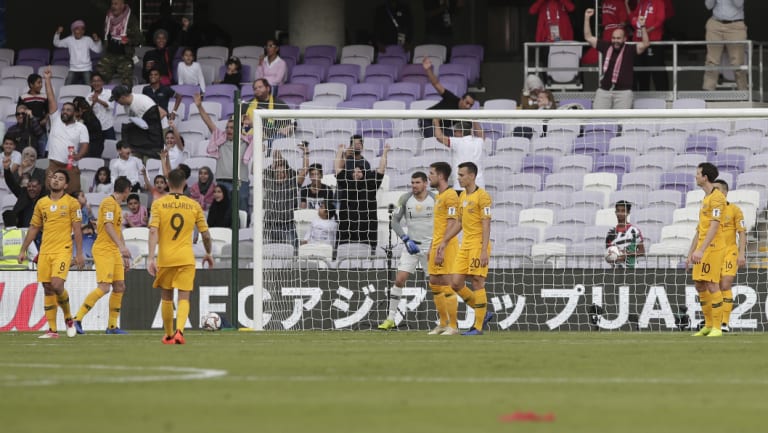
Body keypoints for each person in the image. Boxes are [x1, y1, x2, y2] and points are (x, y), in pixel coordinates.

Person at [148, 168, 213, 344]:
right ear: (185, 184)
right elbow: (205, 235)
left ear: (168, 183)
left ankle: (169, 335)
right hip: (185, 258)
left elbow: (153, 231)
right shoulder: (194, 205)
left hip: (166, 258)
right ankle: (180, 332)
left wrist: (150, 258)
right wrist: (208, 253)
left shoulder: (158, 204)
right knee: (184, 296)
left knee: (167, 296)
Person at [18, 169, 84, 339]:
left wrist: (79, 253)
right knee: (47, 288)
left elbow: (77, 229)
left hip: (63, 250)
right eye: (54, 178)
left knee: (56, 285)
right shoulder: (41, 203)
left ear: (66, 185)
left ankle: (68, 317)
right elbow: (34, 228)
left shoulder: (72, 203)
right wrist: (23, 249)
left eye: (60, 179)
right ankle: (52, 330)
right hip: (45, 251)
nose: (56, 181)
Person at [438, 162, 493, 336]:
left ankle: (477, 327)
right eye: (458, 175)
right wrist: (445, 241)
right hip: (465, 245)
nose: (458, 178)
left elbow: (486, 224)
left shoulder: (483, 196)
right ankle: (483, 313)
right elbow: (460, 223)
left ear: (472, 176)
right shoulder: (462, 197)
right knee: (455, 283)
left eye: (462, 175)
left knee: (477, 281)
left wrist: (484, 250)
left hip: (478, 245)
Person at [73, 176, 133, 335]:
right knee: (104, 287)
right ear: (126, 190)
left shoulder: (117, 207)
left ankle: (112, 326)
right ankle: (76, 319)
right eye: (129, 191)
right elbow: (107, 226)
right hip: (103, 249)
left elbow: (118, 231)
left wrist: (124, 253)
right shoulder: (108, 203)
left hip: (114, 250)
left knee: (120, 286)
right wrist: (121, 247)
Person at [378, 172, 437, 330]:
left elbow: (443, 222)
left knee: (436, 284)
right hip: (411, 246)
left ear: (425, 183)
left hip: (429, 248)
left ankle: (444, 319)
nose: (414, 186)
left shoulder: (435, 198)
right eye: (412, 182)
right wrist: (405, 239)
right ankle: (390, 318)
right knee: (399, 280)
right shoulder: (405, 199)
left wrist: (436, 244)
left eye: (417, 182)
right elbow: (395, 221)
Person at [686, 162, 727, 338]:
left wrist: (701, 250)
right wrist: (691, 253)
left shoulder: (717, 198)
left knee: (711, 284)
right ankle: (708, 325)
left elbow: (714, 226)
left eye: (698, 173)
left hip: (713, 248)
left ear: (705, 177)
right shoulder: (706, 198)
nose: (695, 176)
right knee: (699, 284)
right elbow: (700, 229)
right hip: (702, 248)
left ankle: (717, 327)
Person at [584, 8, 649, 109]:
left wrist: (643, 26)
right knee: (598, 120)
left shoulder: (630, 49)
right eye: (613, 38)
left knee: (621, 123)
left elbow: (645, 44)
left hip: (624, 93)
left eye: (618, 38)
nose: (615, 41)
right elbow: (588, 37)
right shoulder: (606, 46)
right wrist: (587, 18)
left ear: (624, 39)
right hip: (604, 91)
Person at [198, 93, 252, 213]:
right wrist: (199, 106)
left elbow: (261, 129)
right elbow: (208, 121)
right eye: (227, 127)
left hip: (240, 181)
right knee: (223, 211)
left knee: (241, 212)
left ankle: (242, 232)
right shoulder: (220, 139)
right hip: (222, 181)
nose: (228, 130)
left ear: (239, 129)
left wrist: (250, 123)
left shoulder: (247, 140)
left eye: (232, 128)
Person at [425, 162, 461, 335]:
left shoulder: (451, 195)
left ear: (440, 176)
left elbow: (453, 222)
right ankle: (442, 323)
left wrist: (442, 245)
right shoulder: (439, 197)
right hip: (437, 244)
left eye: (431, 173)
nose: (429, 176)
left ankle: (453, 326)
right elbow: (438, 225)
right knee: (434, 282)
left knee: (447, 283)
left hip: (447, 245)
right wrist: (432, 246)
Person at [335, 143, 390, 254]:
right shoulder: (346, 183)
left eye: (359, 171)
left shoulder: (370, 185)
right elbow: (337, 168)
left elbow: (381, 170)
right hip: (347, 226)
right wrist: (340, 151)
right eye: (354, 171)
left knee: (368, 256)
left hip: (367, 227)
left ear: (364, 174)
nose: (356, 173)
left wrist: (385, 152)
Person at [43, 67, 89, 194]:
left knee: (73, 195)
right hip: (54, 165)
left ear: (74, 113)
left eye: (68, 110)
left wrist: (79, 155)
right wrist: (47, 80)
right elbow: (51, 98)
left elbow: (85, 145)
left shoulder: (81, 127)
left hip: (70, 165)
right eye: (63, 109)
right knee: (51, 194)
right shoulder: (56, 120)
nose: (64, 112)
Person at [712, 179, 746, 333]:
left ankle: (724, 323)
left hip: (730, 252)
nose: (714, 192)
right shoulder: (711, 210)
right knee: (716, 287)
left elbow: (742, 232)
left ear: (725, 192)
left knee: (725, 284)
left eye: (717, 189)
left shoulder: (735, 210)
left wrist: (741, 253)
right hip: (714, 253)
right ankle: (716, 321)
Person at [420, 57, 481, 138]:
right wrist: (428, 69)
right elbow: (436, 84)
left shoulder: (466, 115)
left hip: (441, 128)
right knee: (435, 139)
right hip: (427, 120)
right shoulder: (451, 98)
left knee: (457, 136)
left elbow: (471, 133)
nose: (468, 107)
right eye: (467, 103)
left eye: (470, 105)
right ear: (461, 99)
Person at [263, 148, 309, 250]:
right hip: (272, 224)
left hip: (289, 224)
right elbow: (258, 171)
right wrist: (275, 162)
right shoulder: (269, 182)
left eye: (282, 171)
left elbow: (305, 170)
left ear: (287, 173)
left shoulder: (292, 183)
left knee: (294, 250)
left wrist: (306, 153)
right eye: (277, 171)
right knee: (274, 251)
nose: (279, 173)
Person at [702, 0, 747, 91]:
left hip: (735, 26)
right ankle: (708, 92)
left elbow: (739, 4)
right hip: (715, 24)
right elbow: (708, 6)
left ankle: (743, 92)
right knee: (712, 61)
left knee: (737, 62)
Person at [111, 85, 164, 159]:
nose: (117, 103)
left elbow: (163, 113)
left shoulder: (142, 101)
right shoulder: (126, 106)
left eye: (117, 100)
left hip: (159, 128)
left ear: (122, 97)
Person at [243, 78, 294, 155]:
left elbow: (293, 121)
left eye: (260, 87)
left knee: (276, 139)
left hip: (272, 135)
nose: (257, 90)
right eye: (255, 88)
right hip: (250, 135)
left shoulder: (278, 103)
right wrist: (243, 120)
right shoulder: (248, 104)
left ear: (268, 88)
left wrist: (289, 127)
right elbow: (235, 119)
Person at [97, 0, 141, 86]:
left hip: (125, 56)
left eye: (116, 4)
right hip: (109, 55)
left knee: (127, 81)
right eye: (112, 4)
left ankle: (125, 97)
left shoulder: (131, 19)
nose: (113, 6)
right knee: (99, 76)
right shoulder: (108, 16)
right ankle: (102, 97)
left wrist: (128, 40)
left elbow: (140, 39)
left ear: (122, 5)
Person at [433, 120, 485, 191]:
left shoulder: (457, 142)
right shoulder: (479, 141)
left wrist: (436, 122)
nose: (453, 133)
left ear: (461, 131)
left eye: (455, 131)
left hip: (461, 187)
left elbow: (439, 137)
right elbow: (480, 134)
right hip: (479, 186)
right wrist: (474, 119)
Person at [631, 0, 667, 91]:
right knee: (640, 71)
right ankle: (643, 95)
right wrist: (637, 23)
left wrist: (647, 31)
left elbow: (660, 20)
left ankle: (663, 95)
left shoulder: (659, 2)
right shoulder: (641, 3)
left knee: (657, 71)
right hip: (639, 41)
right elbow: (633, 17)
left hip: (654, 41)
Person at [53, 20, 102, 85]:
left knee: (90, 88)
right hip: (73, 69)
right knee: (66, 88)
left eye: (82, 29)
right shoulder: (69, 39)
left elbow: (98, 50)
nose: (80, 32)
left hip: (86, 68)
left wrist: (97, 41)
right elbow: (56, 43)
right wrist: (58, 33)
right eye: (77, 29)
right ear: (73, 31)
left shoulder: (88, 39)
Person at [3, 156, 46, 228]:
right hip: (21, 230)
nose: (31, 188)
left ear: (40, 187)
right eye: (29, 186)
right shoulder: (23, 193)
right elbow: (11, 183)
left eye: (34, 186)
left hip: (39, 231)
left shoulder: (45, 196)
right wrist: (7, 169)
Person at [605, 200, 645, 268]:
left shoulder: (634, 231)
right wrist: (616, 257)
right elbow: (608, 256)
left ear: (628, 212)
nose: (620, 213)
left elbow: (642, 252)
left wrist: (627, 254)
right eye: (618, 210)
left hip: (632, 271)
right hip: (615, 273)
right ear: (615, 212)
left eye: (623, 211)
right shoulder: (610, 234)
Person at [18, 74, 49, 153]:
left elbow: (48, 111)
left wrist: (45, 119)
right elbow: (19, 112)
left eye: (41, 83)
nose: (41, 85)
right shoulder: (23, 97)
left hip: (41, 130)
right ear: (31, 84)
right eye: (38, 83)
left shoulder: (44, 97)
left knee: (42, 154)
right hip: (28, 130)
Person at [87, 73, 116, 140]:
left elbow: (110, 106)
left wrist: (98, 100)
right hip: (95, 128)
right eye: (94, 81)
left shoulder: (110, 93)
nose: (96, 83)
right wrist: (93, 103)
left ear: (102, 82)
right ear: (91, 83)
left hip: (108, 126)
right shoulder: (88, 96)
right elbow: (88, 113)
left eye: (98, 81)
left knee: (112, 148)